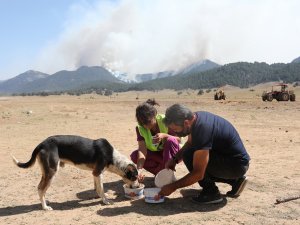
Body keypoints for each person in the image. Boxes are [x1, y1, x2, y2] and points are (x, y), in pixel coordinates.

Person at [158, 104, 250, 204]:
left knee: (190, 156)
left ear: (186, 123)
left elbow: (198, 173)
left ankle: (211, 193)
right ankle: (235, 181)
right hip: (234, 161)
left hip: (236, 165)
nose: (176, 134)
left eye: (176, 130)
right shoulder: (196, 118)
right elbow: (189, 143)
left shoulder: (202, 129)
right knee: (188, 152)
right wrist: (174, 159)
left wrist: (172, 186)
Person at [130, 99, 181, 181]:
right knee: (135, 155)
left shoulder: (165, 120)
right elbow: (142, 150)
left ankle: (168, 173)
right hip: (156, 155)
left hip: (173, 155)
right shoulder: (140, 128)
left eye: (148, 122)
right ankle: (161, 174)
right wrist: (139, 169)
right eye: (142, 123)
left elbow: (178, 140)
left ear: (155, 115)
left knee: (170, 140)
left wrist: (164, 136)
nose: (146, 126)